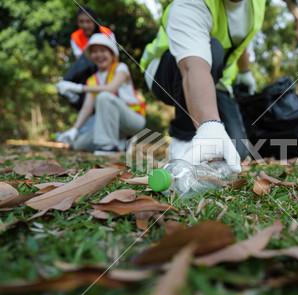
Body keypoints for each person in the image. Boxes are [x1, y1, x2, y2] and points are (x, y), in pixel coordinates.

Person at [140, 0, 266, 173]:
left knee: (237, 150)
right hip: (167, 71)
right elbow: (193, 66)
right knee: (213, 49)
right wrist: (210, 126)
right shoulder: (190, 3)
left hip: (219, 82)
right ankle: (183, 141)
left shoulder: (257, 4)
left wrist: (245, 72)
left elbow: (242, 40)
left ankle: (202, 144)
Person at [56, 33, 146, 155]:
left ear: (111, 53)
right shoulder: (92, 80)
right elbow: (87, 108)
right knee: (79, 144)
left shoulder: (120, 68)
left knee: (104, 97)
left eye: (102, 50)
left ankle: (108, 147)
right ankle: (120, 143)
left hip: (132, 120)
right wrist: (74, 130)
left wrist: (79, 88)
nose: (98, 55)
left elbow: (110, 88)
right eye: (94, 52)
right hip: (111, 126)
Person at [59, 7, 116, 110]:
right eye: (81, 22)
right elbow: (79, 62)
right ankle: (69, 86)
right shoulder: (76, 37)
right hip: (88, 71)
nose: (85, 25)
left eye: (88, 22)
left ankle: (67, 83)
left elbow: (114, 57)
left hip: (105, 69)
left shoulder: (106, 32)